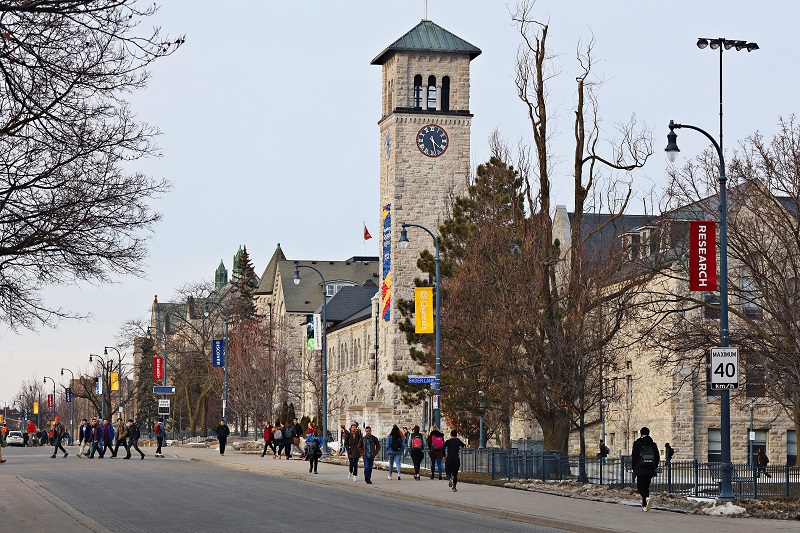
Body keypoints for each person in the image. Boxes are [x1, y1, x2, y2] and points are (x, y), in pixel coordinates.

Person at [631, 426, 660, 512]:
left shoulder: (637, 443)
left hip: (640, 468)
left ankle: (647, 499)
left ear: (640, 433)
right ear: (648, 433)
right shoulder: (653, 444)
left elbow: (634, 456)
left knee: (640, 487)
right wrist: (654, 466)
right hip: (650, 468)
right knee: (646, 487)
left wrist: (634, 468)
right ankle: (644, 506)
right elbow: (657, 457)